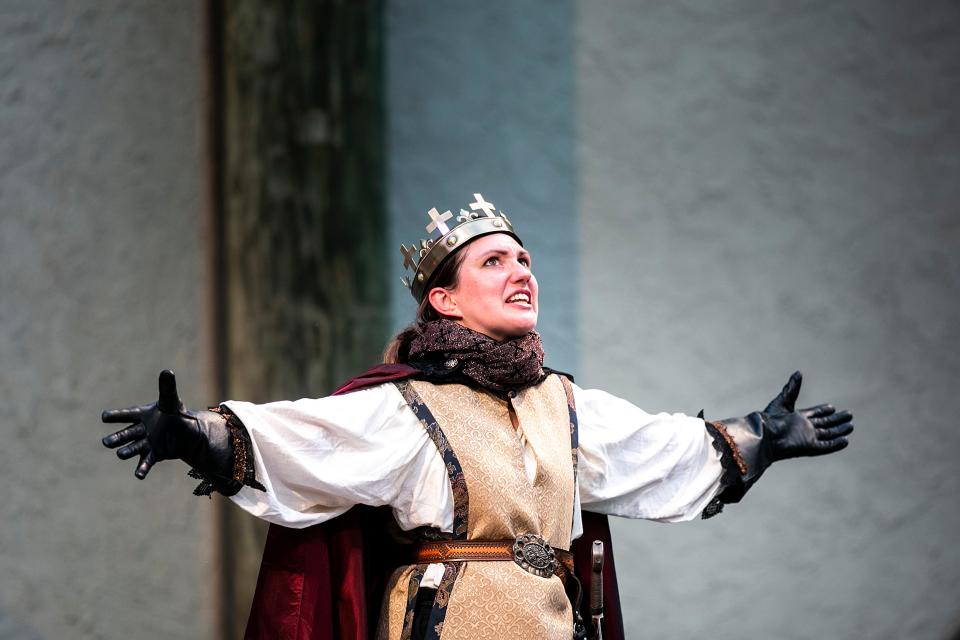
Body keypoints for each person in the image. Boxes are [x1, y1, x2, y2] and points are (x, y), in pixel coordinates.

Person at [101, 194, 854, 640]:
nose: (521, 271)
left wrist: (757, 436)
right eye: (493, 262)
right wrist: (195, 433)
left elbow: (652, 453)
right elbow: (303, 441)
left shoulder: (561, 404)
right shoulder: (405, 406)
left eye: (524, 261)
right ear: (445, 300)